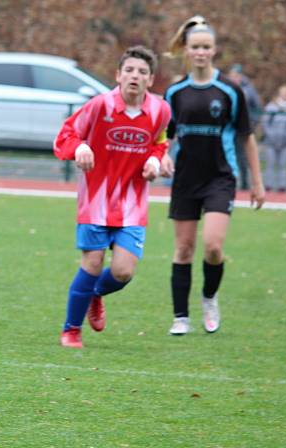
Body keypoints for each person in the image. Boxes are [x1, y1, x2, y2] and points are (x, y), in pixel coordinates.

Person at [54, 46, 171, 348]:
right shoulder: (99, 106)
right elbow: (65, 136)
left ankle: (95, 294)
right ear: (118, 75)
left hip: (133, 204)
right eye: (129, 70)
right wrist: (79, 147)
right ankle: (71, 330)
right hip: (96, 202)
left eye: (142, 72)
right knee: (92, 264)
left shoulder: (161, 110)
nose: (135, 76)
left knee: (123, 271)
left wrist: (156, 161)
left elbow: (160, 143)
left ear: (151, 79)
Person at [164, 16, 265, 336]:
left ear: (214, 50)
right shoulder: (175, 92)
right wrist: (162, 157)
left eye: (206, 47)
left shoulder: (230, 91)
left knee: (212, 247)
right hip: (185, 180)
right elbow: (163, 137)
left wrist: (258, 183)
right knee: (183, 249)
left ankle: (209, 297)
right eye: (195, 47)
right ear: (186, 50)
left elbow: (246, 136)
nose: (201, 52)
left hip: (220, 178)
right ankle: (181, 317)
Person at [227, 64, 262, 190]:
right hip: (228, 127)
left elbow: (257, 107)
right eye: (231, 76)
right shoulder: (226, 86)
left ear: (241, 76)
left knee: (242, 155)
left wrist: (252, 124)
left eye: (236, 75)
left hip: (242, 127)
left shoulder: (249, 90)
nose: (233, 78)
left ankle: (245, 182)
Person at [262, 84, 286, 193]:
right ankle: (268, 185)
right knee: (270, 164)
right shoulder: (271, 106)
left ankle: (282, 186)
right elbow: (265, 123)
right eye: (283, 92)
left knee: (283, 165)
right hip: (271, 141)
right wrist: (271, 135)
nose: (285, 95)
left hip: (285, 143)